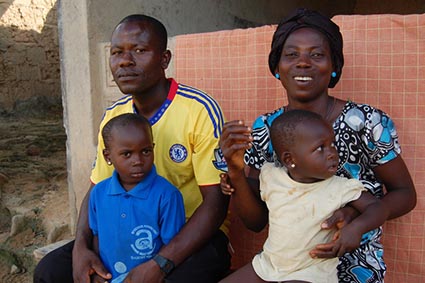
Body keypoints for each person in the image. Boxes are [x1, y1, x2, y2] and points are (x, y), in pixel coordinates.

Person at [219, 8, 416, 283]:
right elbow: (256, 222)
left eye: (316, 54)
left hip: (354, 261)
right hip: (283, 263)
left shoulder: (367, 123)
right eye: (291, 54)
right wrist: (236, 174)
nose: (303, 63)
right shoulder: (266, 129)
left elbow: (405, 194)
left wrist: (355, 215)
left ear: (334, 65)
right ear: (277, 67)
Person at [34, 14, 231, 283]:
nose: (125, 61)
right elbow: (96, 190)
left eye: (139, 50)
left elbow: (216, 204)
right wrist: (81, 247)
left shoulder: (198, 110)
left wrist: (159, 263)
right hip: (124, 227)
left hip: (187, 232)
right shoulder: (115, 117)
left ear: (164, 59)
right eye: (117, 52)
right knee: (50, 271)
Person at [220, 109, 389, 283]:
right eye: (320, 148)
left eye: (332, 144)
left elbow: (377, 207)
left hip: (311, 273)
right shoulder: (271, 175)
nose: (331, 153)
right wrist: (233, 179)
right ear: (289, 160)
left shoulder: (340, 187)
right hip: (268, 265)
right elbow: (253, 192)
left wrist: (356, 228)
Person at [89, 113, 186, 283]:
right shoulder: (99, 193)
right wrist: (99, 271)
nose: (138, 161)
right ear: (107, 157)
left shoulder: (167, 196)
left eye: (146, 151)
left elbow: (172, 249)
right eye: (127, 154)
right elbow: (97, 236)